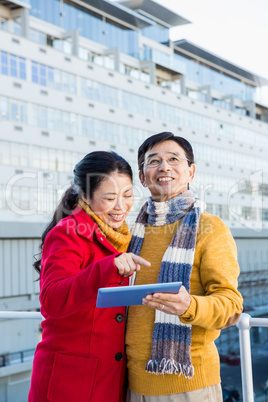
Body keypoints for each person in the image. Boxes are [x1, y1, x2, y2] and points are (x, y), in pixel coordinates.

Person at [126, 132, 243, 402]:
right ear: (143, 177)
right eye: (153, 161)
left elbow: (231, 306)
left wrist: (188, 306)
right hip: (132, 382)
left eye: (173, 159)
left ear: (190, 171)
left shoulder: (210, 228)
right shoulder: (130, 232)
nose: (164, 167)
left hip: (189, 385)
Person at [28, 151, 150, 402]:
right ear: (85, 196)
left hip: (109, 378)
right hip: (71, 382)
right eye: (109, 198)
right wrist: (107, 267)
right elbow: (51, 301)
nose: (121, 206)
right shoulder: (69, 232)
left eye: (127, 196)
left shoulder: (124, 236)